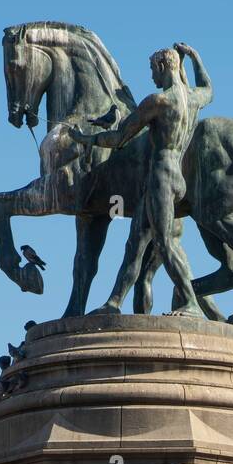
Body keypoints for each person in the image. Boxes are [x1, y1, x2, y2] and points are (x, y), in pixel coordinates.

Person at [72, 42, 212, 318]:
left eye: (152, 70)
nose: (151, 77)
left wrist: (85, 139)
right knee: (135, 243)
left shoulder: (158, 102)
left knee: (164, 243)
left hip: (161, 176)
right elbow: (209, 87)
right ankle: (113, 303)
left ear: (162, 66)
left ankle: (192, 303)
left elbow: (119, 137)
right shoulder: (193, 98)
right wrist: (195, 57)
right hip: (174, 178)